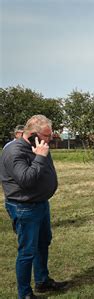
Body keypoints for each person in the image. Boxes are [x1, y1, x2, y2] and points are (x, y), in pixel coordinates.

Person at [0, 115, 68, 299]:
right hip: (24, 207)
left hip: (40, 203)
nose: (50, 139)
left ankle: (42, 281)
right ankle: (24, 293)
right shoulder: (15, 152)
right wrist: (39, 157)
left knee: (43, 243)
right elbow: (26, 180)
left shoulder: (38, 145)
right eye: (47, 135)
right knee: (27, 251)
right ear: (31, 134)